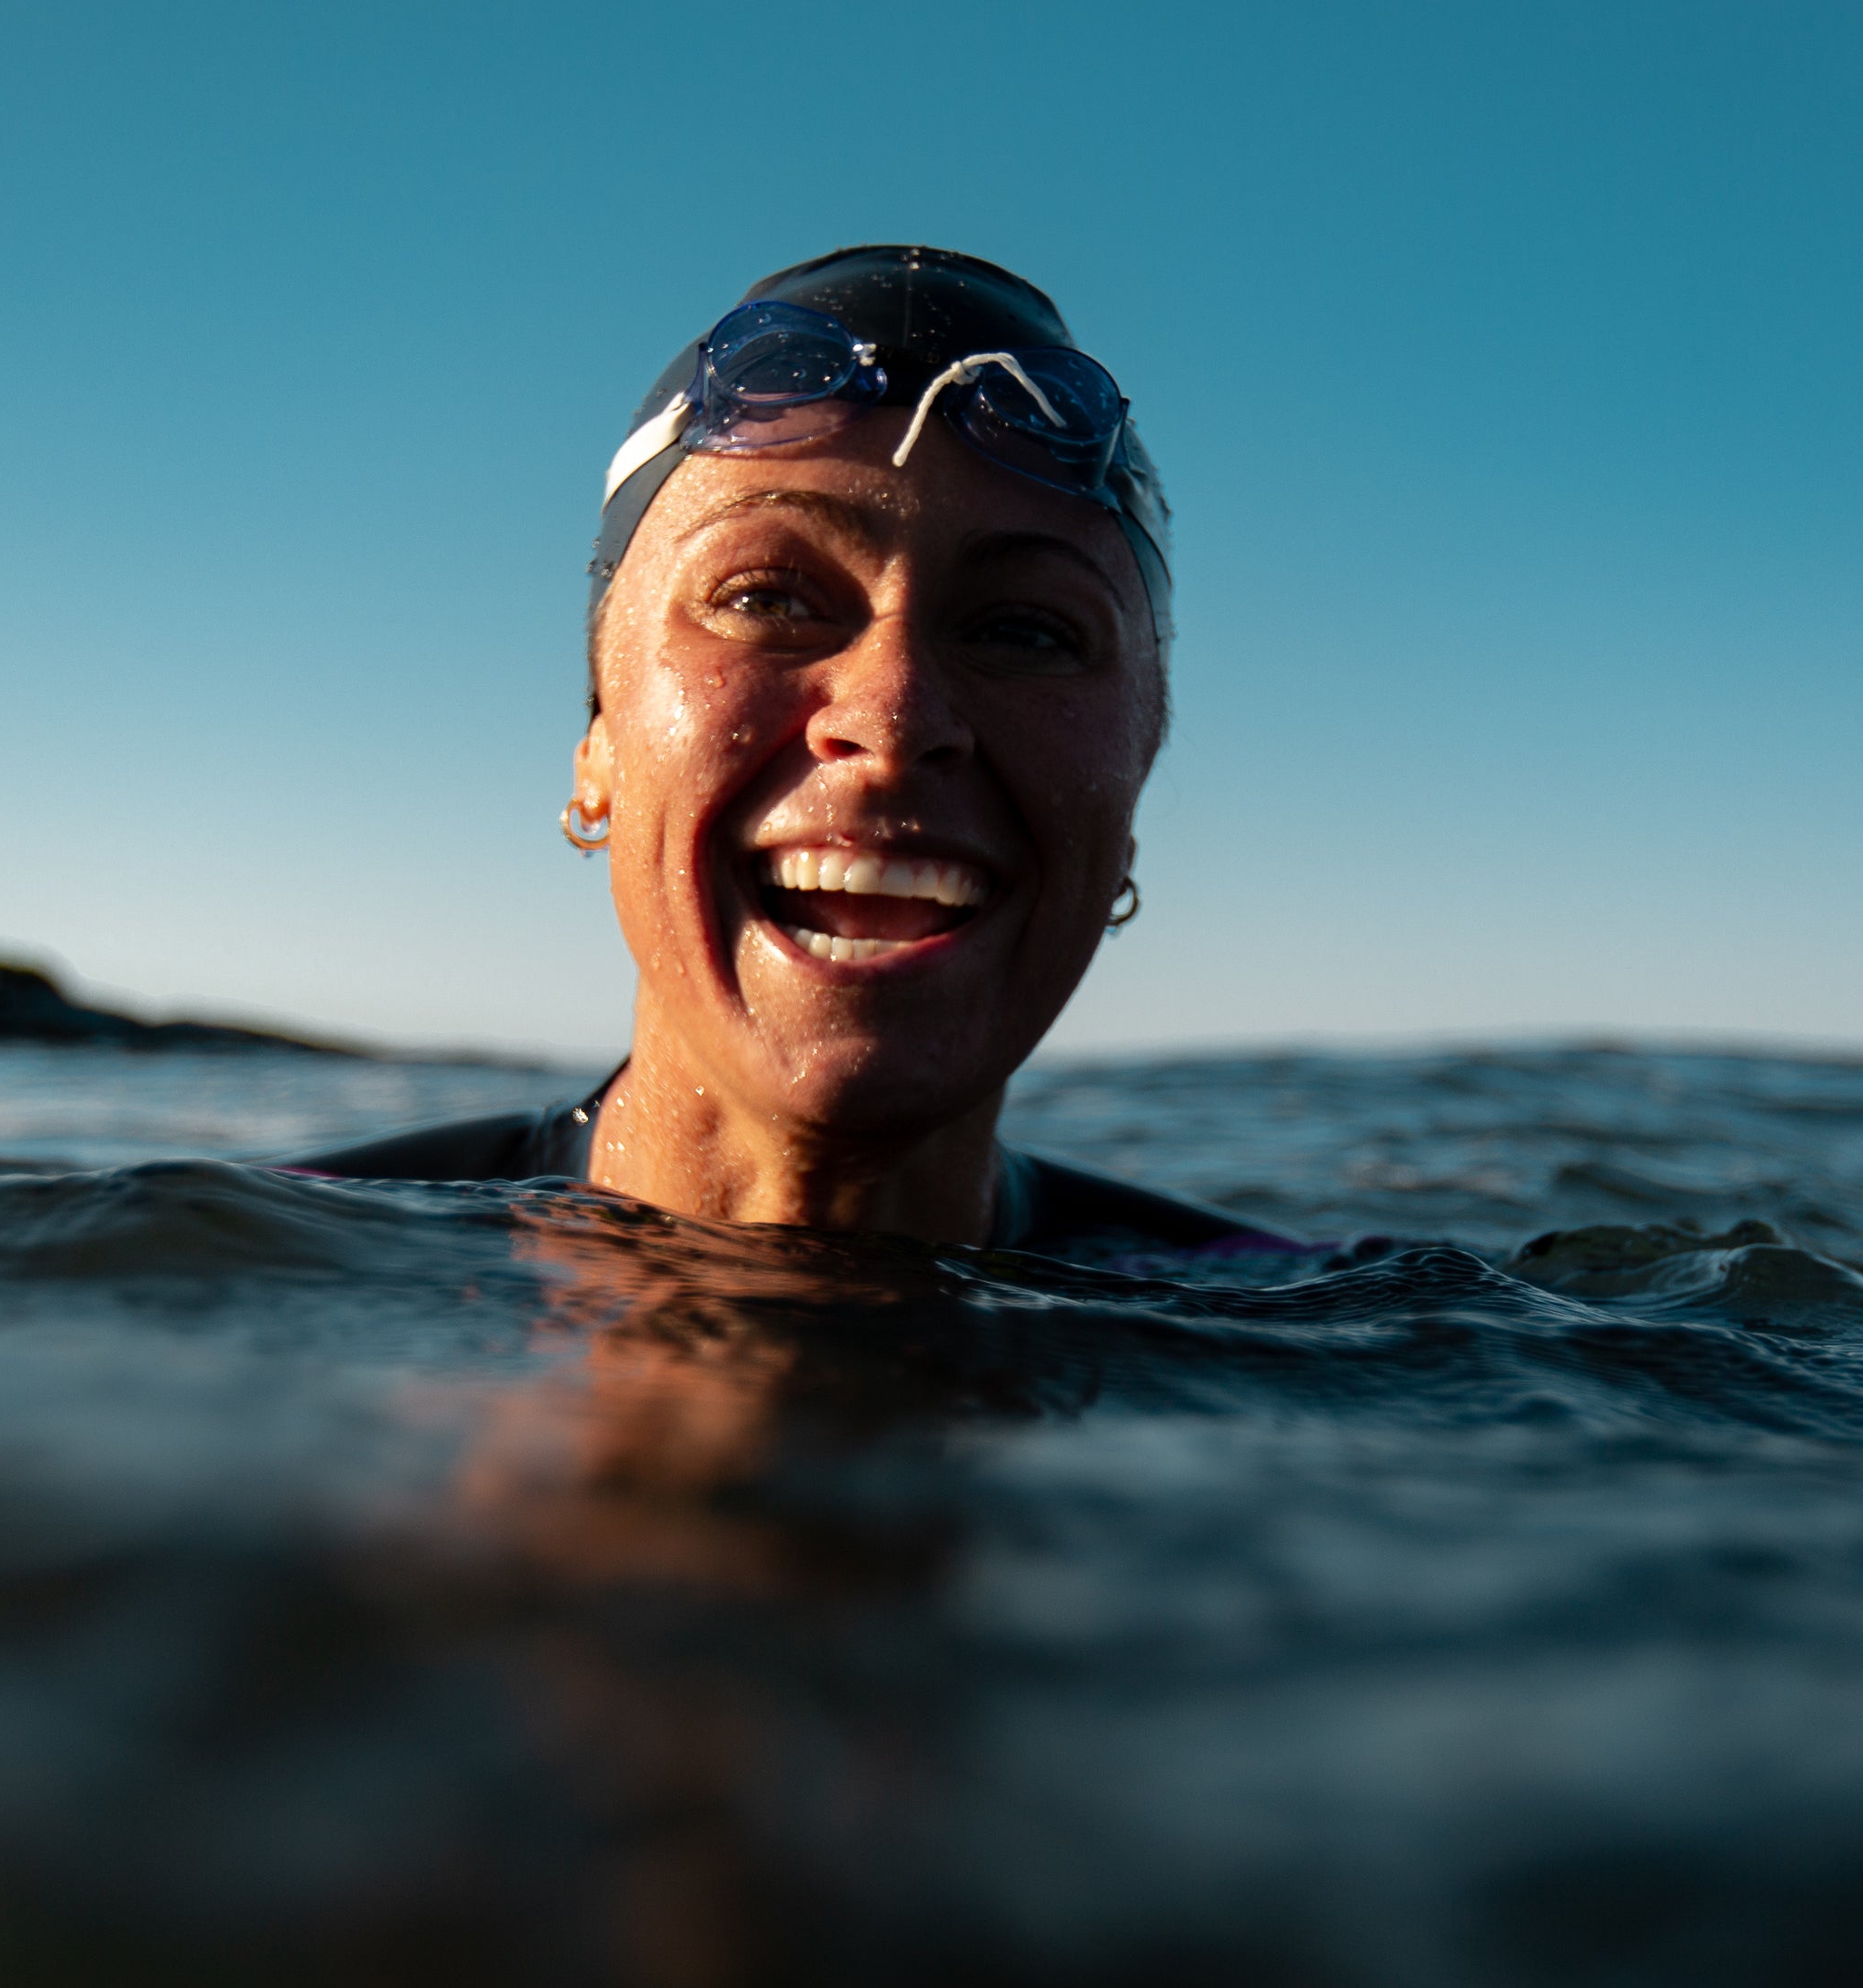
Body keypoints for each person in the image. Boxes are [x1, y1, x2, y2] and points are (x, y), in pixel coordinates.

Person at [290, 245, 1288, 1261]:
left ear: (1131, 790)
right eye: (765, 599)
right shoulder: (257, 1266)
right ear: (597, 749)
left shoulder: (1301, 1335)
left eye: (1026, 630)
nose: (892, 718)